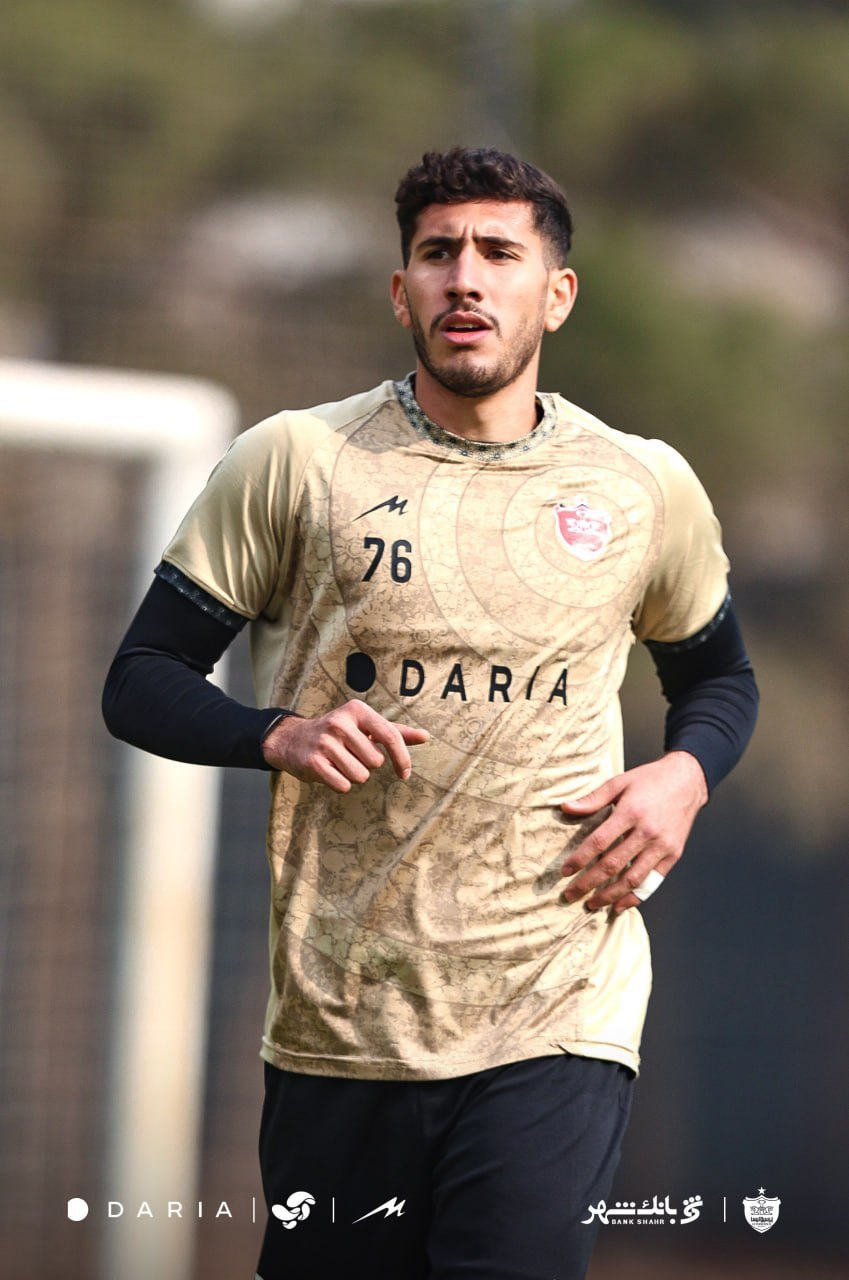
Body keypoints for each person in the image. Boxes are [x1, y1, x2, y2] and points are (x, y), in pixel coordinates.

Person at [103, 147, 758, 1280]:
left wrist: (681, 776)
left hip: (556, 1005)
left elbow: (721, 680)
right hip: (343, 1021)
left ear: (556, 292)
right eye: (437, 252)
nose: (466, 277)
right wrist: (278, 732)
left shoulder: (640, 483)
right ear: (400, 290)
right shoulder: (298, 461)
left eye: (500, 252)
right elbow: (141, 676)